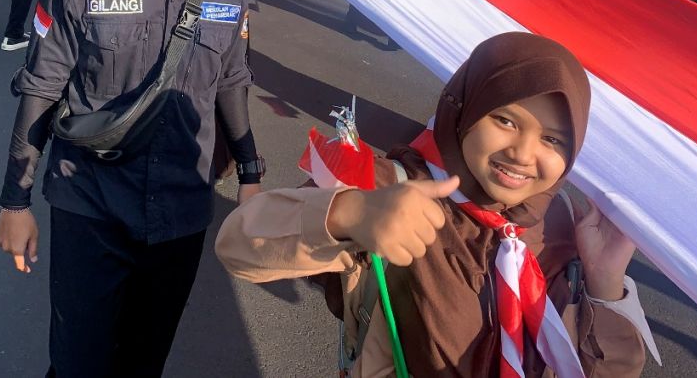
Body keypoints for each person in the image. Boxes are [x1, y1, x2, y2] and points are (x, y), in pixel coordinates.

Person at [215, 33, 650, 378]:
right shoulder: (393, 191)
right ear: (465, 110)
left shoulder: (559, 224)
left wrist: (604, 282)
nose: (522, 154)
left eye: (553, 139)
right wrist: (350, 215)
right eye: (505, 120)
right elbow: (239, 245)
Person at [0, 0, 265, 378]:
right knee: (78, 363)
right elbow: (42, 87)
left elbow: (231, 76)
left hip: (181, 212)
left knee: (143, 361)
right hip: (90, 204)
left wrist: (251, 174)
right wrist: (15, 203)